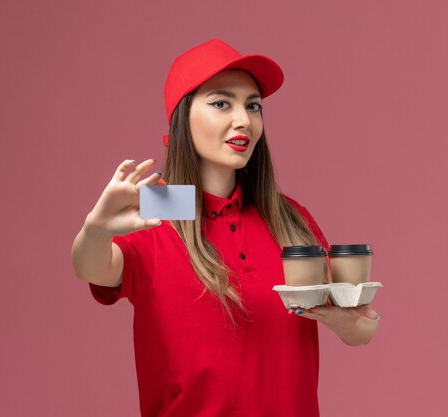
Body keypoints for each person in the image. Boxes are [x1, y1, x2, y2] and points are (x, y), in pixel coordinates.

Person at [71, 38, 380, 417]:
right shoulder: (160, 205)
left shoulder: (286, 217)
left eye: (253, 106)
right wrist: (95, 230)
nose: (244, 120)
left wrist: (344, 321)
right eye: (221, 103)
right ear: (183, 116)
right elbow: (93, 266)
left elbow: (362, 329)